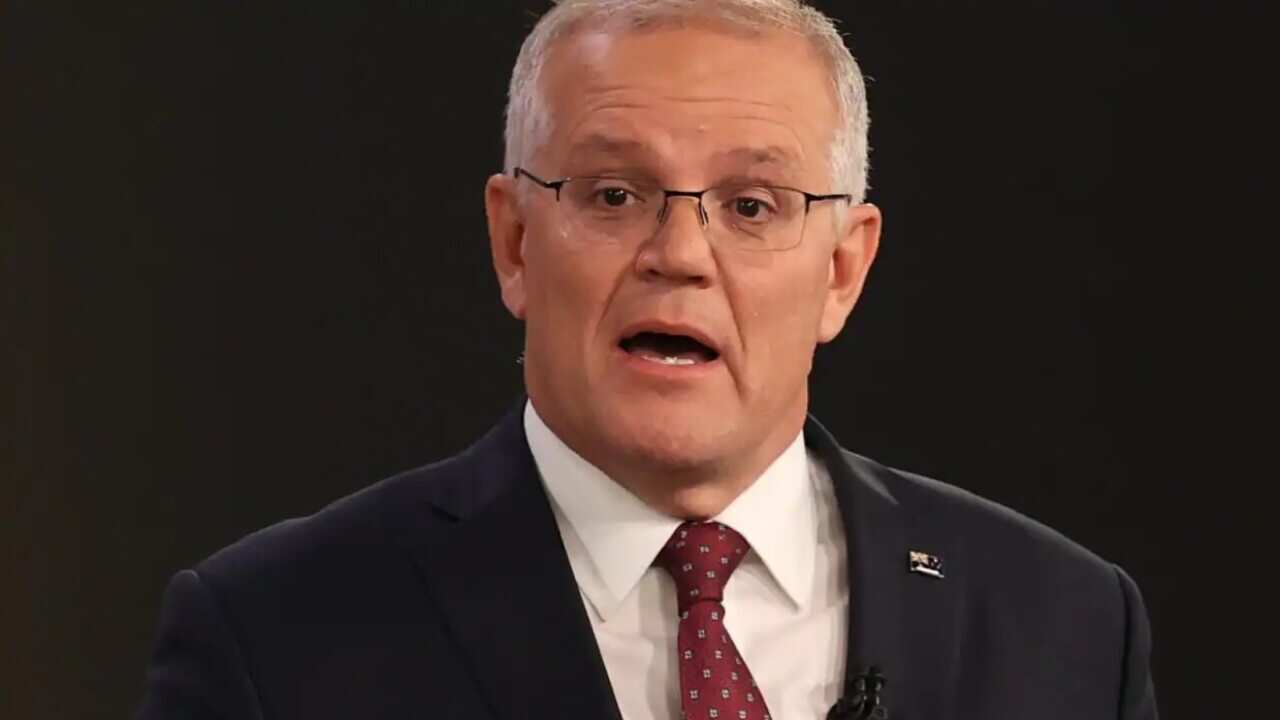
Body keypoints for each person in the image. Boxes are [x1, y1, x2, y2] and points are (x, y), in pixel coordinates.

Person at [136, 1, 1158, 718]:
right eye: (615, 195)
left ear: (842, 271)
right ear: (514, 243)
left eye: (750, 206)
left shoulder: (1063, 623)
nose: (679, 254)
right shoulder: (275, 633)